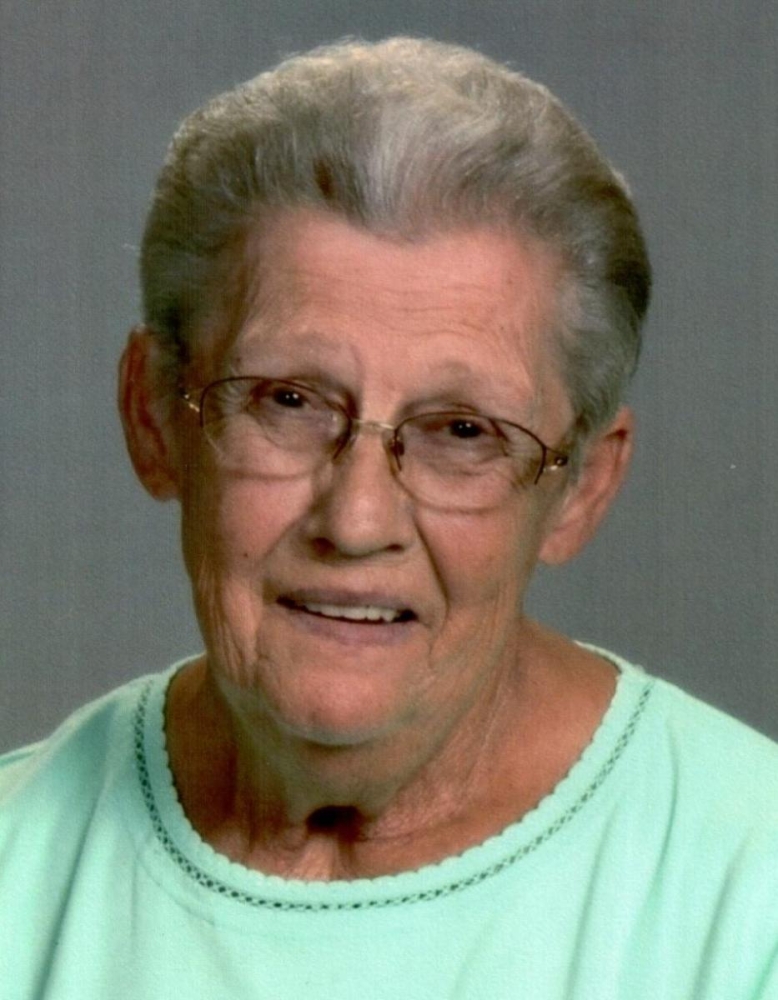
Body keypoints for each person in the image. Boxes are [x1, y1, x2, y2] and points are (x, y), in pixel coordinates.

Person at [1, 36, 776, 1000]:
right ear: (154, 414)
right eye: (289, 400)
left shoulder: (752, 895)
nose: (359, 518)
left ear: (580, 487)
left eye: (462, 430)